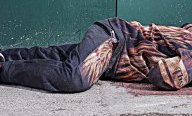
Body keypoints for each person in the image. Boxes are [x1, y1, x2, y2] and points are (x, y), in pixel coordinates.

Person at [0, 17, 192, 93]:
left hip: (115, 52)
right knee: (74, 77)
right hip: (115, 40)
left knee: (54, 56)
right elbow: (159, 76)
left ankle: (3, 55)